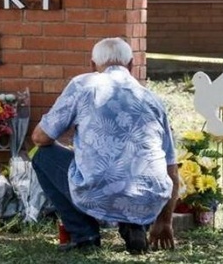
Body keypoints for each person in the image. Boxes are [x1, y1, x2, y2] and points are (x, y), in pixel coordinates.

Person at [31, 37, 178, 254]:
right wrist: (165, 223)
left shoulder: (83, 85)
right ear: (131, 65)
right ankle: (135, 225)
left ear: (93, 66)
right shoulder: (152, 99)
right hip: (148, 199)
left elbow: (40, 138)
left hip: (97, 192)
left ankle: (84, 235)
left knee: (41, 156)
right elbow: (171, 169)